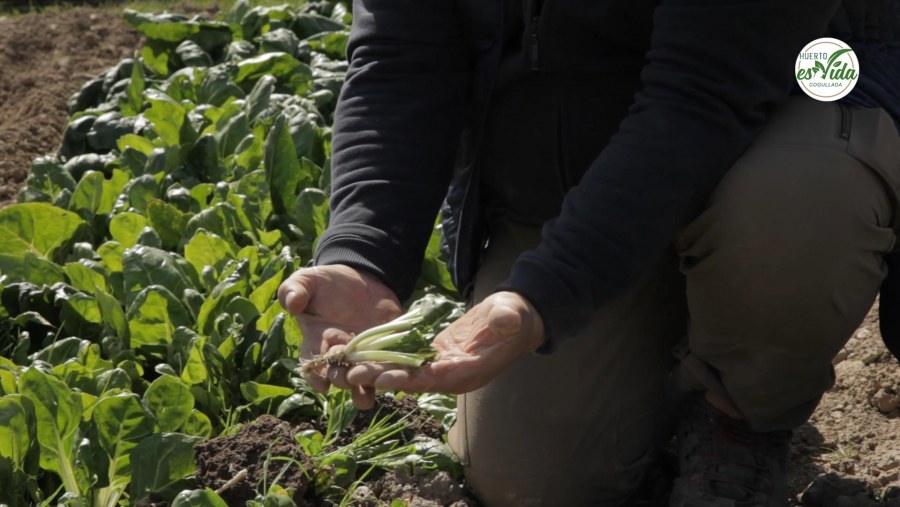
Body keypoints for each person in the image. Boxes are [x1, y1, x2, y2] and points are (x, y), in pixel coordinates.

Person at [277, 0, 900, 505]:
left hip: (762, 135)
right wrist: (363, 254)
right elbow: (402, 58)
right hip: (565, 198)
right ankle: (669, 358)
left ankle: (737, 415)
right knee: (533, 482)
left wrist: (547, 293)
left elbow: (702, 95)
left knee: (798, 199)